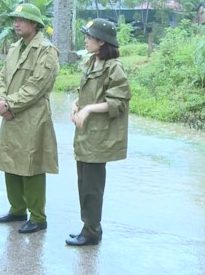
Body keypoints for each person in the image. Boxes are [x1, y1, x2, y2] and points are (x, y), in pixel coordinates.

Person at [0, 3, 60, 234]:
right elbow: (3, 77)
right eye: (15, 20)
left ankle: (38, 217)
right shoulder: (14, 48)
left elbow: (37, 86)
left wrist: (9, 104)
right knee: (9, 162)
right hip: (10, 115)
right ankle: (17, 209)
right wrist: (2, 102)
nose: (16, 23)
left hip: (32, 116)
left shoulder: (46, 50)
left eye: (21, 20)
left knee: (31, 165)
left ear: (34, 23)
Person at [65, 18, 132, 247]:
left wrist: (90, 109)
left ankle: (91, 231)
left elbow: (119, 101)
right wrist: (77, 104)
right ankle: (90, 226)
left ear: (102, 42)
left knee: (92, 187)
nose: (86, 40)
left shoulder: (114, 67)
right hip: (85, 134)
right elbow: (86, 92)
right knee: (83, 183)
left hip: (99, 136)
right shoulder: (91, 62)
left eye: (89, 37)